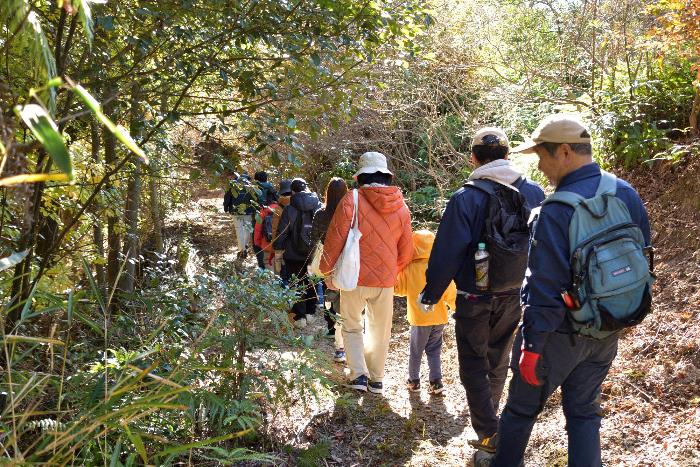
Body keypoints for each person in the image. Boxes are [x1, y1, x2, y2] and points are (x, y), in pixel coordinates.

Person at [490, 115, 651, 466]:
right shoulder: (625, 193)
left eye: (542, 158)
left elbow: (543, 287)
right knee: (584, 414)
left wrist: (531, 348)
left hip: (557, 336)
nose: (542, 168)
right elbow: (643, 255)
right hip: (607, 327)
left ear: (563, 152)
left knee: (519, 412)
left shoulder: (557, 209)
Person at [420, 128, 545, 456]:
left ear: (473, 158)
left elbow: (447, 249)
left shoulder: (466, 197)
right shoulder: (534, 193)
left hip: (475, 295)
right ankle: (491, 427)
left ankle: (489, 432)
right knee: (499, 357)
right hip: (517, 292)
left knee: (473, 361)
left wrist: (432, 292)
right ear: (508, 156)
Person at [320, 152, 413, 394]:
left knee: (351, 325)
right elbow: (406, 250)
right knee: (380, 330)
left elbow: (335, 238)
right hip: (384, 280)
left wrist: (326, 270)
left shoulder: (352, 199)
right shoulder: (401, 205)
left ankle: (358, 375)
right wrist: (392, 271)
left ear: (361, 176)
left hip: (354, 276)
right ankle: (377, 379)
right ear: (385, 175)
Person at [394, 229, 456, 395]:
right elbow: (450, 293)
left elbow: (397, 288)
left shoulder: (410, 269)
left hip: (419, 320)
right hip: (439, 319)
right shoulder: (440, 269)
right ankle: (436, 382)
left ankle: (414, 381)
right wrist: (457, 309)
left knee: (416, 352)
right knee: (434, 351)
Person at [274, 178, 322, 328]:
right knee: (312, 280)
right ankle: (310, 313)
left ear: (293, 191)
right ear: (306, 188)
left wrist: (278, 248)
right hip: (313, 252)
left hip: (293, 253)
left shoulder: (289, 208)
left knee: (297, 282)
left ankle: (300, 317)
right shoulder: (318, 205)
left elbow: (283, 231)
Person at [310, 177, 349, 363]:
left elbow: (313, 239)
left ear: (327, 193)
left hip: (328, 262)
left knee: (331, 299)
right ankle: (347, 343)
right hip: (349, 261)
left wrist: (311, 261)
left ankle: (337, 340)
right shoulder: (350, 212)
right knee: (349, 302)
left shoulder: (320, 214)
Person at [223, 173, 256, 259]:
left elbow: (227, 197)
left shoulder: (233, 185)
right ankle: (244, 246)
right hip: (248, 211)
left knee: (239, 230)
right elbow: (255, 199)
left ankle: (242, 250)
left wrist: (226, 208)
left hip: (236, 211)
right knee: (248, 230)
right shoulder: (251, 186)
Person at [252, 171, 275, 268]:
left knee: (258, 235)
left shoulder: (254, 188)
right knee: (269, 234)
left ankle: (262, 265)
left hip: (257, 214)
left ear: (256, 179)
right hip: (271, 212)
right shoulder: (271, 187)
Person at [271, 179, 292, 278]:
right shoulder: (297, 205)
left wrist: (274, 246)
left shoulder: (278, 208)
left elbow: (275, 229)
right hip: (295, 246)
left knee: (279, 272)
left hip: (281, 244)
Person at [253, 190, 279, 270]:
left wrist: (257, 242)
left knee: (268, 264)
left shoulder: (263, 210)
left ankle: (270, 281)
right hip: (280, 244)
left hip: (266, 244)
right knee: (279, 265)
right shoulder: (282, 209)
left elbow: (258, 229)